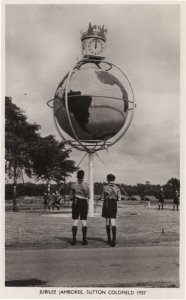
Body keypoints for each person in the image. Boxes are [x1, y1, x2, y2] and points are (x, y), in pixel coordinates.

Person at [101, 174, 121, 247]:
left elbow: (102, 198)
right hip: (113, 204)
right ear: (114, 179)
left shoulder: (105, 187)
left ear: (107, 179)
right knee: (113, 221)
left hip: (106, 204)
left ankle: (109, 238)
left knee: (107, 221)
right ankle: (114, 239)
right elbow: (119, 198)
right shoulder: (117, 188)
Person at [70, 170, 89, 246]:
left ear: (77, 176)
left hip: (76, 202)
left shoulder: (73, 185)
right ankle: (84, 239)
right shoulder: (87, 185)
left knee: (75, 220)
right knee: (84, 220)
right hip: (84, 202)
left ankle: (74, 239)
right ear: (83, 176)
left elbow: (71, 196)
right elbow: (89, 196)